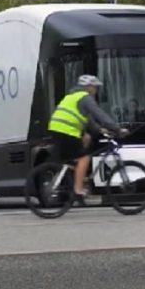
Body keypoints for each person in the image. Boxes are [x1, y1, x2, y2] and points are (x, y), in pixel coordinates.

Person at [48, 74, 129, 205]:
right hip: (66, 130)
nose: (96, 90)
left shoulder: (72, 97)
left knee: (85, 141)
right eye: (95, 87)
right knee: (84, 158)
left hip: (57, 129)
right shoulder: (85, 98)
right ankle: (78, 190)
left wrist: (101, 130)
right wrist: (117, 129)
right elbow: (99, 114)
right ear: (89, 87)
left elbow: (88, 121)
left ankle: (73, 177)